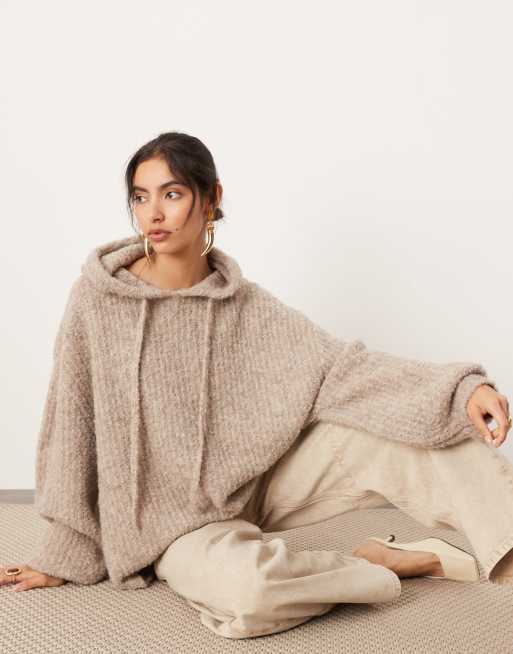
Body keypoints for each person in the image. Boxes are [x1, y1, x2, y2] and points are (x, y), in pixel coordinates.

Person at [2, 132, 511, 640]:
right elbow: (71, 426)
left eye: (172, 194)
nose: (153, 213)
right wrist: (65, 554)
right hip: (171, 525)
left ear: (211, 199)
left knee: (428, 430)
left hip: (252, 487)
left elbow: (343, 369)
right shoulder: (98, 300)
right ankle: (379, 563)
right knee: (251, 594)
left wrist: (461, 391)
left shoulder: (246, 306)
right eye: (140, 197)